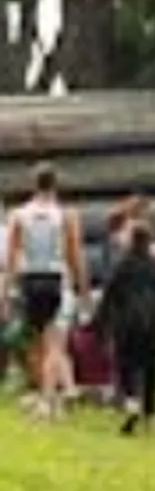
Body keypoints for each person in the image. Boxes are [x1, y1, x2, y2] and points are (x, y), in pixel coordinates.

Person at [4, 161, 87, 419]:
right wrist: (82, 287)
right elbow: (74, 254)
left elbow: (11, 255)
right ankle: (49, 400)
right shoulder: (66, 215)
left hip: (30, 279)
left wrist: (6, 290)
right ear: (55, 185)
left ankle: (44, 396)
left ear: (34, 184)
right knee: (55, 343)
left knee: (38, 342)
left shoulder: (18, 214)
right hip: (55, 278)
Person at [96, 219, 155, 435]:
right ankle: (149, 417)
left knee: (126, 367)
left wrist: (100, 325)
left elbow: (108, 296)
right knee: (150, 371)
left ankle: (131, 403)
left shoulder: (122, 266)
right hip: (152, 325)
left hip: (126, 325)